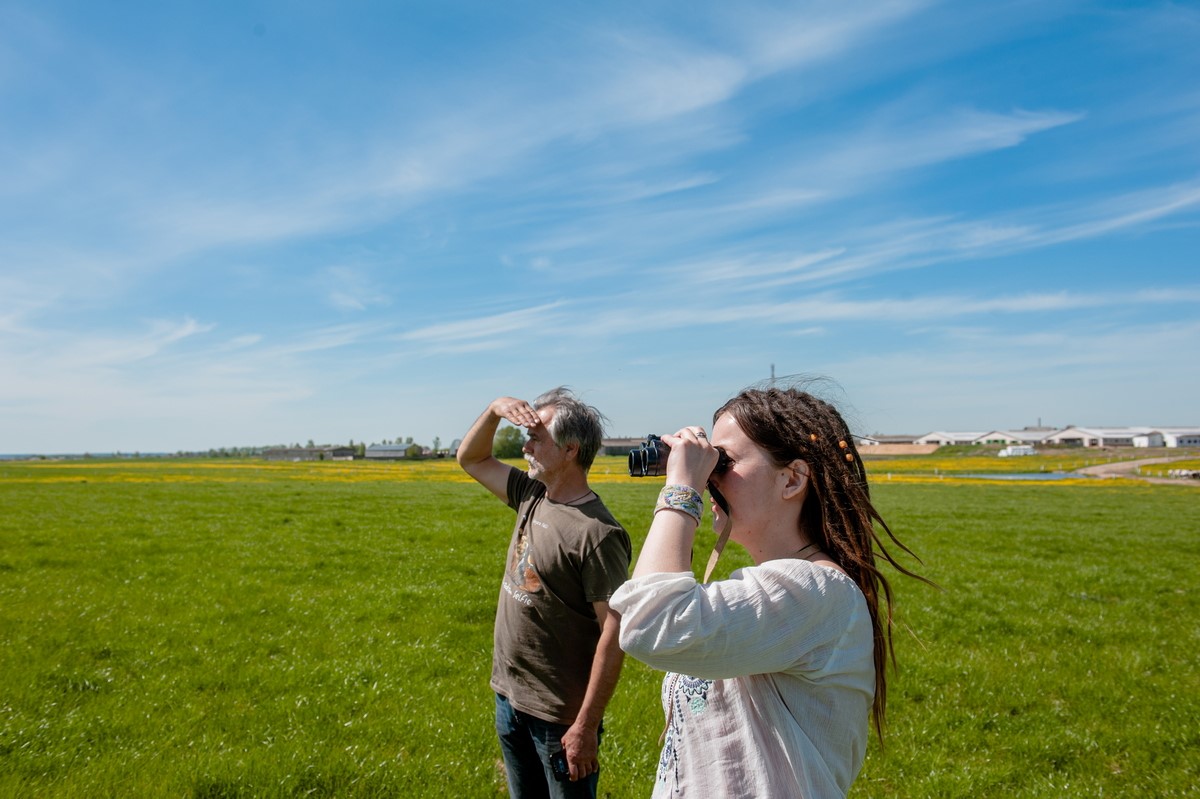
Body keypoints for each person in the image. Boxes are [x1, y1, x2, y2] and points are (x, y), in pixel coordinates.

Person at [609, 386, 926, 798]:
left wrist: (682, 489)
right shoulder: (783, 586)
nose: (710, 478)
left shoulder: (816, 592)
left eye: (724, 462)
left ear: (792, 479)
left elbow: (652, 623)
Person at [457, 387, 632, 799]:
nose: (526, 444)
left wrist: (586, 726)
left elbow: (615, 633)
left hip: (559, 719)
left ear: (571, 449)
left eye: (537, 437)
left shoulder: (597, 533)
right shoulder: (532, 494)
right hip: (509, 698)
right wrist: (493, 409)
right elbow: (472, 459)